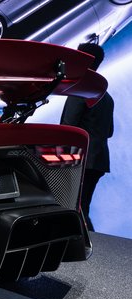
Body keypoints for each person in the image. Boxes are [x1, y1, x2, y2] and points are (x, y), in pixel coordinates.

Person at [60, 43, 114, 232]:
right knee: (82, 206)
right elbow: (109, 132)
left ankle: (87, 244)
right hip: (98, 160)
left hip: (80, 159)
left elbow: (68, 126)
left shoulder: (80, 90)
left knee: (73, 206)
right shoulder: (106, 96)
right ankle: (86, 242)